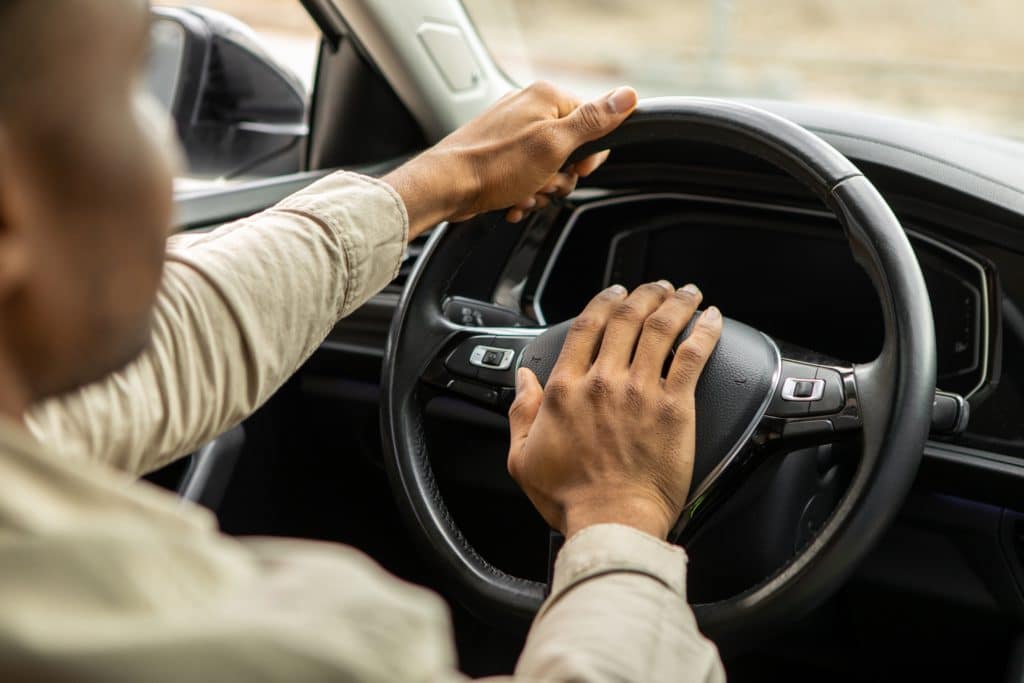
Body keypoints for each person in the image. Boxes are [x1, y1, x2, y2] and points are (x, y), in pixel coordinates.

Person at [0, 1, 725, 680]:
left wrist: (441, 181)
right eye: (134, 92)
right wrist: (620, 512)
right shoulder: (290, 650)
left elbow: (165, 347)